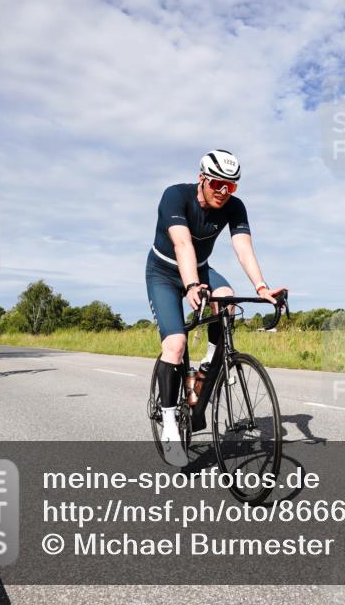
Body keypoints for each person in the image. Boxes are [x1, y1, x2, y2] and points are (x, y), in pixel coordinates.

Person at [146, 149, 285, 466]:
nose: (224, 191)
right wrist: (192, 285)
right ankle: (169, 425)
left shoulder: (234, 207)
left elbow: (243, 247)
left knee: (227, 299)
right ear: (202, 179)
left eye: (231, 186)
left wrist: (262, 287)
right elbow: (182, 244)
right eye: (218, 184)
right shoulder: (176, 197)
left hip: (202, 268)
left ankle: (208, 366)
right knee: (177, 343)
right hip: (164, 272)